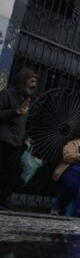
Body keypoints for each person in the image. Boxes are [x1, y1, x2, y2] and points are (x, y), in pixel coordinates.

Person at [0, 68, 38, 209]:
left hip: (15, 142)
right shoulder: (7, 94)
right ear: (23, 81)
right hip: (2, 140)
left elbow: (21, 122)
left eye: (35, 82)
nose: (34, 84)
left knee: (15, 170)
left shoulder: (27, 99)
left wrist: (26, 137)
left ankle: (3, 199)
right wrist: (14, 112)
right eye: (31, 81)